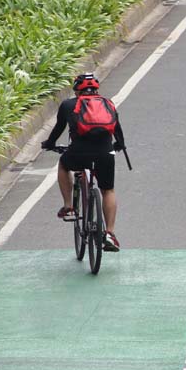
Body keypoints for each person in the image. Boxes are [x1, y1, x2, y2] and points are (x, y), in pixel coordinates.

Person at [41, 73, 126, 252]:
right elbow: (117, 129)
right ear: (96, 90)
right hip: (105, 153)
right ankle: (109, 233)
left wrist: (49, 144)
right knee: (108, 190)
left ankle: (69, 206)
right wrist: (119, 145)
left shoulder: (68, 105)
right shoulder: (107, 103)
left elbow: (58, 129)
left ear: (77, 91)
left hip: (78, 153)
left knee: (64, 165)